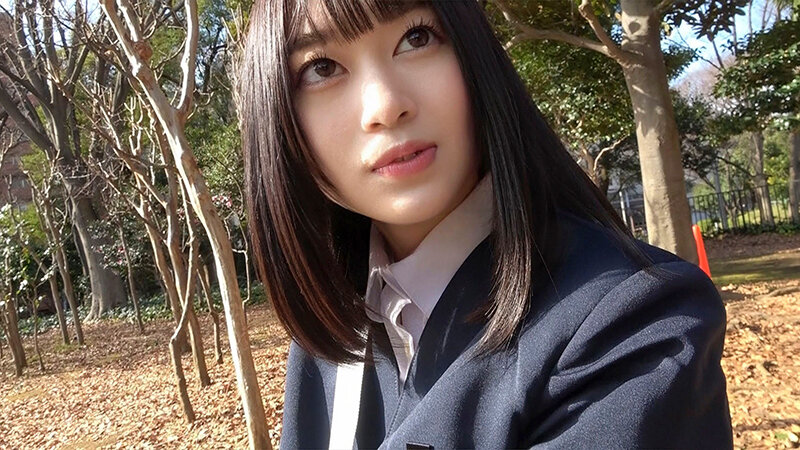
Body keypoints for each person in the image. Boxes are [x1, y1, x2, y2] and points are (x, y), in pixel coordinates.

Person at [238, 0, 733, 448]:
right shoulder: (332, 327)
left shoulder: (633, 329)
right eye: (322, 68)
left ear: (475, 55)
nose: (385, 106)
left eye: (416, 37)